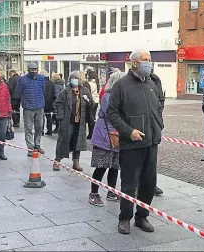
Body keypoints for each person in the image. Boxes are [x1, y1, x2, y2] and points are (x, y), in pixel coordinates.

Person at [106, 48, 163, 235]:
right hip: (132, 144)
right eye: (145, 59)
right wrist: (129, 131)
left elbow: (158, 106)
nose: (149, 62)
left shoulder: (152, 83)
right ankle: (124, 218)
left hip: (151, 142)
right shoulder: (121, 85)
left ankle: (142, 217)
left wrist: (158, 125)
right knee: (129, 183)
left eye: (150, 59)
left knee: (148, 182)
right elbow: (111, 113)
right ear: (135, 63)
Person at [89, 71, 126, 206]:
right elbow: (112, 115)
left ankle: (111, 191)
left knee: (114, 166)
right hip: (104, 136)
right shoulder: (108, 96)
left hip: (116, 136)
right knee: (101, 166)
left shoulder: (120, 96)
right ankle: (93, 193)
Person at [53, 71, 94, 172]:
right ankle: (57, 160)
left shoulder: (85, 91)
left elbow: (92, 104)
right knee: (63, 140)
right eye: (72, 78)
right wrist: (61, 117)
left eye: (76, 78)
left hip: (80, 121)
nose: (74, 81)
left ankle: (76, 162)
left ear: (80, 80)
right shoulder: (65, 91)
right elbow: (58, 104)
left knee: (78, 141)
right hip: (68, 120)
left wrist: (88, 101)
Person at [18, 63, 45, 156]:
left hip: (39, 107)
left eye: (36, 69)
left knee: (39, 127)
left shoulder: (41, 78)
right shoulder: (22, 80)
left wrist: (42, 102)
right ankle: (30, 147)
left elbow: (43, 90)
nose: (34, 71)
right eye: (32, 70)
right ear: (28, 70)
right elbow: (19, 92)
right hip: (28, 108)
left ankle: (37, 145)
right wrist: (24, 103)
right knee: (28, 128)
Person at [149, 67, 165, 196]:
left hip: (154, 126)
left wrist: (159, 121)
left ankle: (151, 184)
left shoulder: (155, 80)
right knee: (138, 159)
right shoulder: (128, 83)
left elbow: (160, 101)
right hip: (137, 126)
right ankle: (137, 185)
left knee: (152, 160)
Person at [41, 70, 55, 135]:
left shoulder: (41, 82)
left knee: (41, 117)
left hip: (42, 102)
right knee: (49, 117)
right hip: (49, 103)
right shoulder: (52, 83)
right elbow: (53, 93)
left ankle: (41, 131)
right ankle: (50, 130)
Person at [86, 70, 99, 139]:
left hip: (91, 101)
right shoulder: (97, 83)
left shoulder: (88, 83)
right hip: (96, 101)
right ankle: (93, 133)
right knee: (93, 117)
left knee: (90, 118)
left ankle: (91, 134)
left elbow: (88, 93)